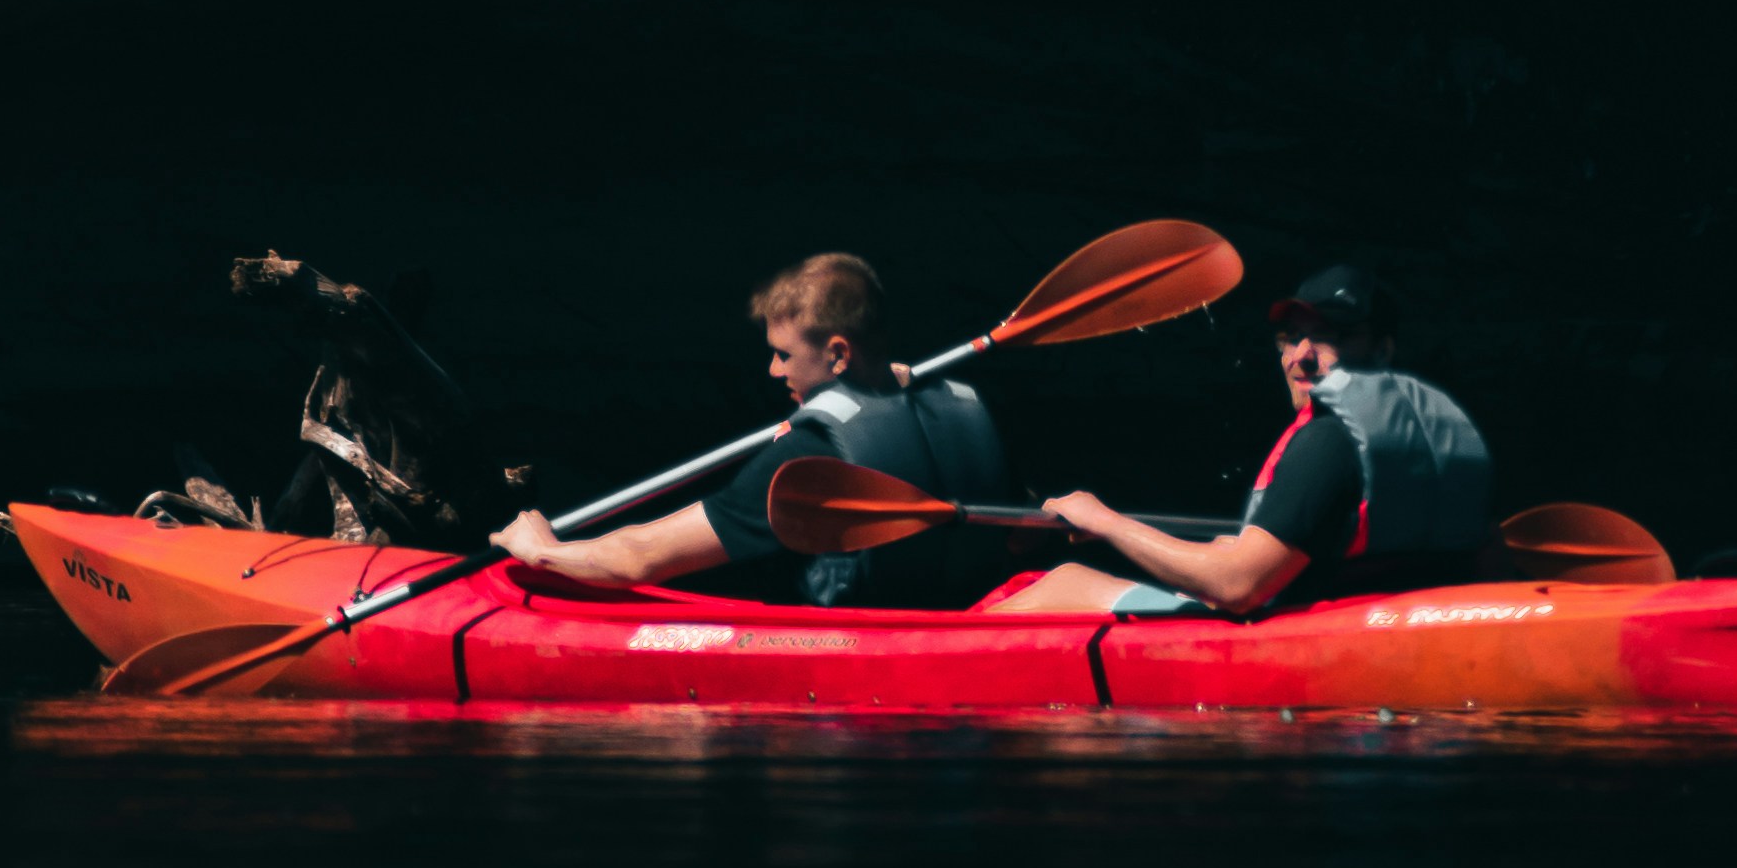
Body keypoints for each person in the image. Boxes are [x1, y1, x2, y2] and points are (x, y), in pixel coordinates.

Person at [490, 252, 1020, 605]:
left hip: (857, 682)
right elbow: (1015, 538)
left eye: (784, 354)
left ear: (838, 354)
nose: (774, 371)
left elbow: (640, 557)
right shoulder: (960, 408)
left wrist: (543, 550)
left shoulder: (809, 455)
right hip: (964, 619)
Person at [1011, 258, 1496, 616]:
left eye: (1327, 336)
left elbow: (1238, 586)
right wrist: (1250, 547)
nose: (1300, 356)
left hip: (1310, 637)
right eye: (1290, 337)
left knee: (1061, 584)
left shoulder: (1329, 441)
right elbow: (1483, 561)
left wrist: (1105, 521)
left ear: (1383, 347)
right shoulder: (1444, 434)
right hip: (1406, 617)